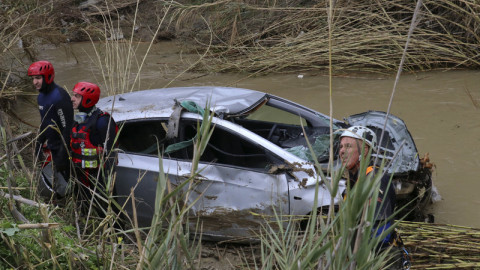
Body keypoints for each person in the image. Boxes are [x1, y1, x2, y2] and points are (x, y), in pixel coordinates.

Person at [338, 126, 410, 269]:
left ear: (365, 150)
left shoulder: (374, 180)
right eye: (340, 147)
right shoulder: (354, 180)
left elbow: (379, 233)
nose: (342, 151)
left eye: (348, 146)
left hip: (380, 259)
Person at [70, 82, 117, 218]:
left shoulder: (102, 121)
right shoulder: (78, 119)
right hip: (80, 175)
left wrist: (105, 182)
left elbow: (110, 153)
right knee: (84, 208)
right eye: (74, 95)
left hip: (98, 178)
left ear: (87, 100)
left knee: (106, 209)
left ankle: (114, 233)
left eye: (77, 97)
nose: (72, 99)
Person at [28, 60, 73, 197]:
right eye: (33, 79)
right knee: (57, 184)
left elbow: (67, 127)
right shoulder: (41, 97)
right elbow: (45, 122)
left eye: (38, 78)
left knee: (70, 185)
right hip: (52, 147)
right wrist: (39, 143)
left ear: (48, 77)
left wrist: (62, 154)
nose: (35, 82)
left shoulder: (59, 96)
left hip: (65, 150)